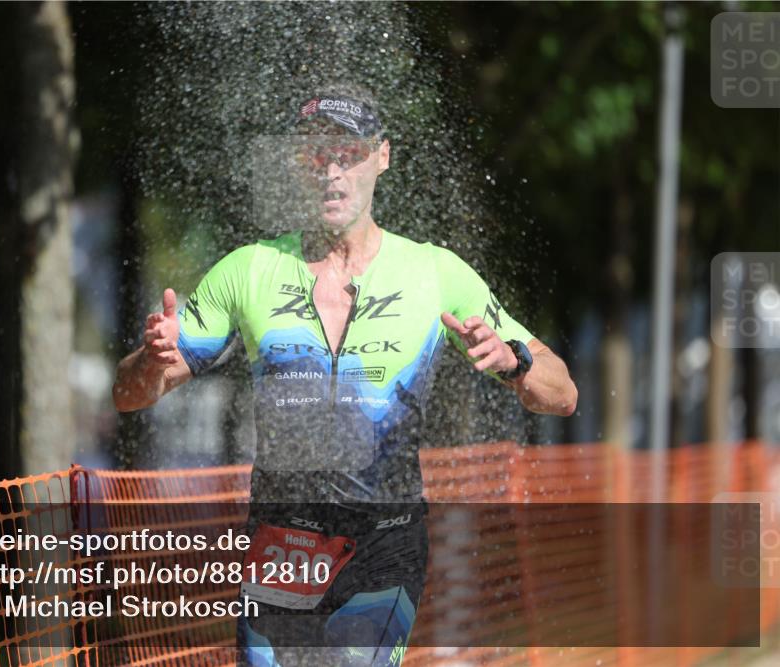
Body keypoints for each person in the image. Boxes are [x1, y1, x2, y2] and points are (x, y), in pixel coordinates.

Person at [113, 84, 578, 666]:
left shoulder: (434, 272)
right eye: (316, 155)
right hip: (281, 540)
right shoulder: (249, 269)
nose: (332, 172)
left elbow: (562, 395)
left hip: (386, 540)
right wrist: (150, 362)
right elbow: (128, 396)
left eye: (348, 155)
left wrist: (517, 362)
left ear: (381, 156)